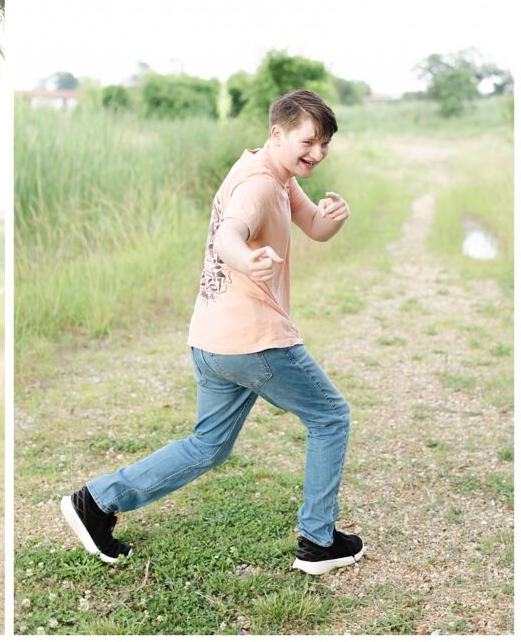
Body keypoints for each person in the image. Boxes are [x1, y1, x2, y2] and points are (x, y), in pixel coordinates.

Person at [61, 89, 364, 576]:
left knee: (208, 446)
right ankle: (317, 540)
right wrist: (248, 259)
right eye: (310, 141)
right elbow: (229, 235)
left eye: (325, 144)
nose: (318, 153)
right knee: (331, 417)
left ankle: (95, 502)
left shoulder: (271, 172)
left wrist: (332, 220)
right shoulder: (260, 186)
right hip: (255, 341)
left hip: (211, 340)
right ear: (278, 133)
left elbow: (313, 226)